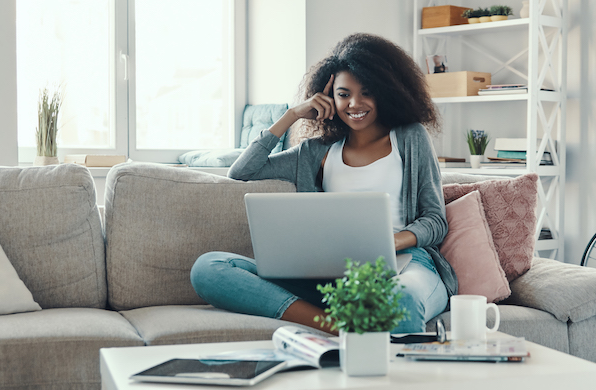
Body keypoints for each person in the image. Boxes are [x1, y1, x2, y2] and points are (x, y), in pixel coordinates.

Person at [190, 33, 457, 335]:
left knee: (402, 300)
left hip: (406, 265)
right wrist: (291, 115)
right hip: (333, 274)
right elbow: (241, 171)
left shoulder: (410, 137)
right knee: (209, 268)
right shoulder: (315, 151)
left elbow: (435, 221)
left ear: (386, 92)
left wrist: (391, 242)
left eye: (366, 92)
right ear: (329, 98)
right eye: (344, 94)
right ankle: (335, 326)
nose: (354, 104)